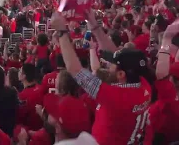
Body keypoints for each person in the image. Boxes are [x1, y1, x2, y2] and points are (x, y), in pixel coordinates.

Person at [50, 11, 152, 145]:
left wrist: (62, 32)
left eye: (113, 65)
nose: (108, 64)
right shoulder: (143, 84)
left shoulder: (113, 96)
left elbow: (75, 70)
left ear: (121, 74)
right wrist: (93, 24)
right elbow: (115, 53)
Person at [17, 63, 44, 131]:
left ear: (24, 76)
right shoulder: (42, 89)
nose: (18, 72)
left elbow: (20, 119)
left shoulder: (22, 96)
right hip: (44, 130)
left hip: (31, 132)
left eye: (20, 71)